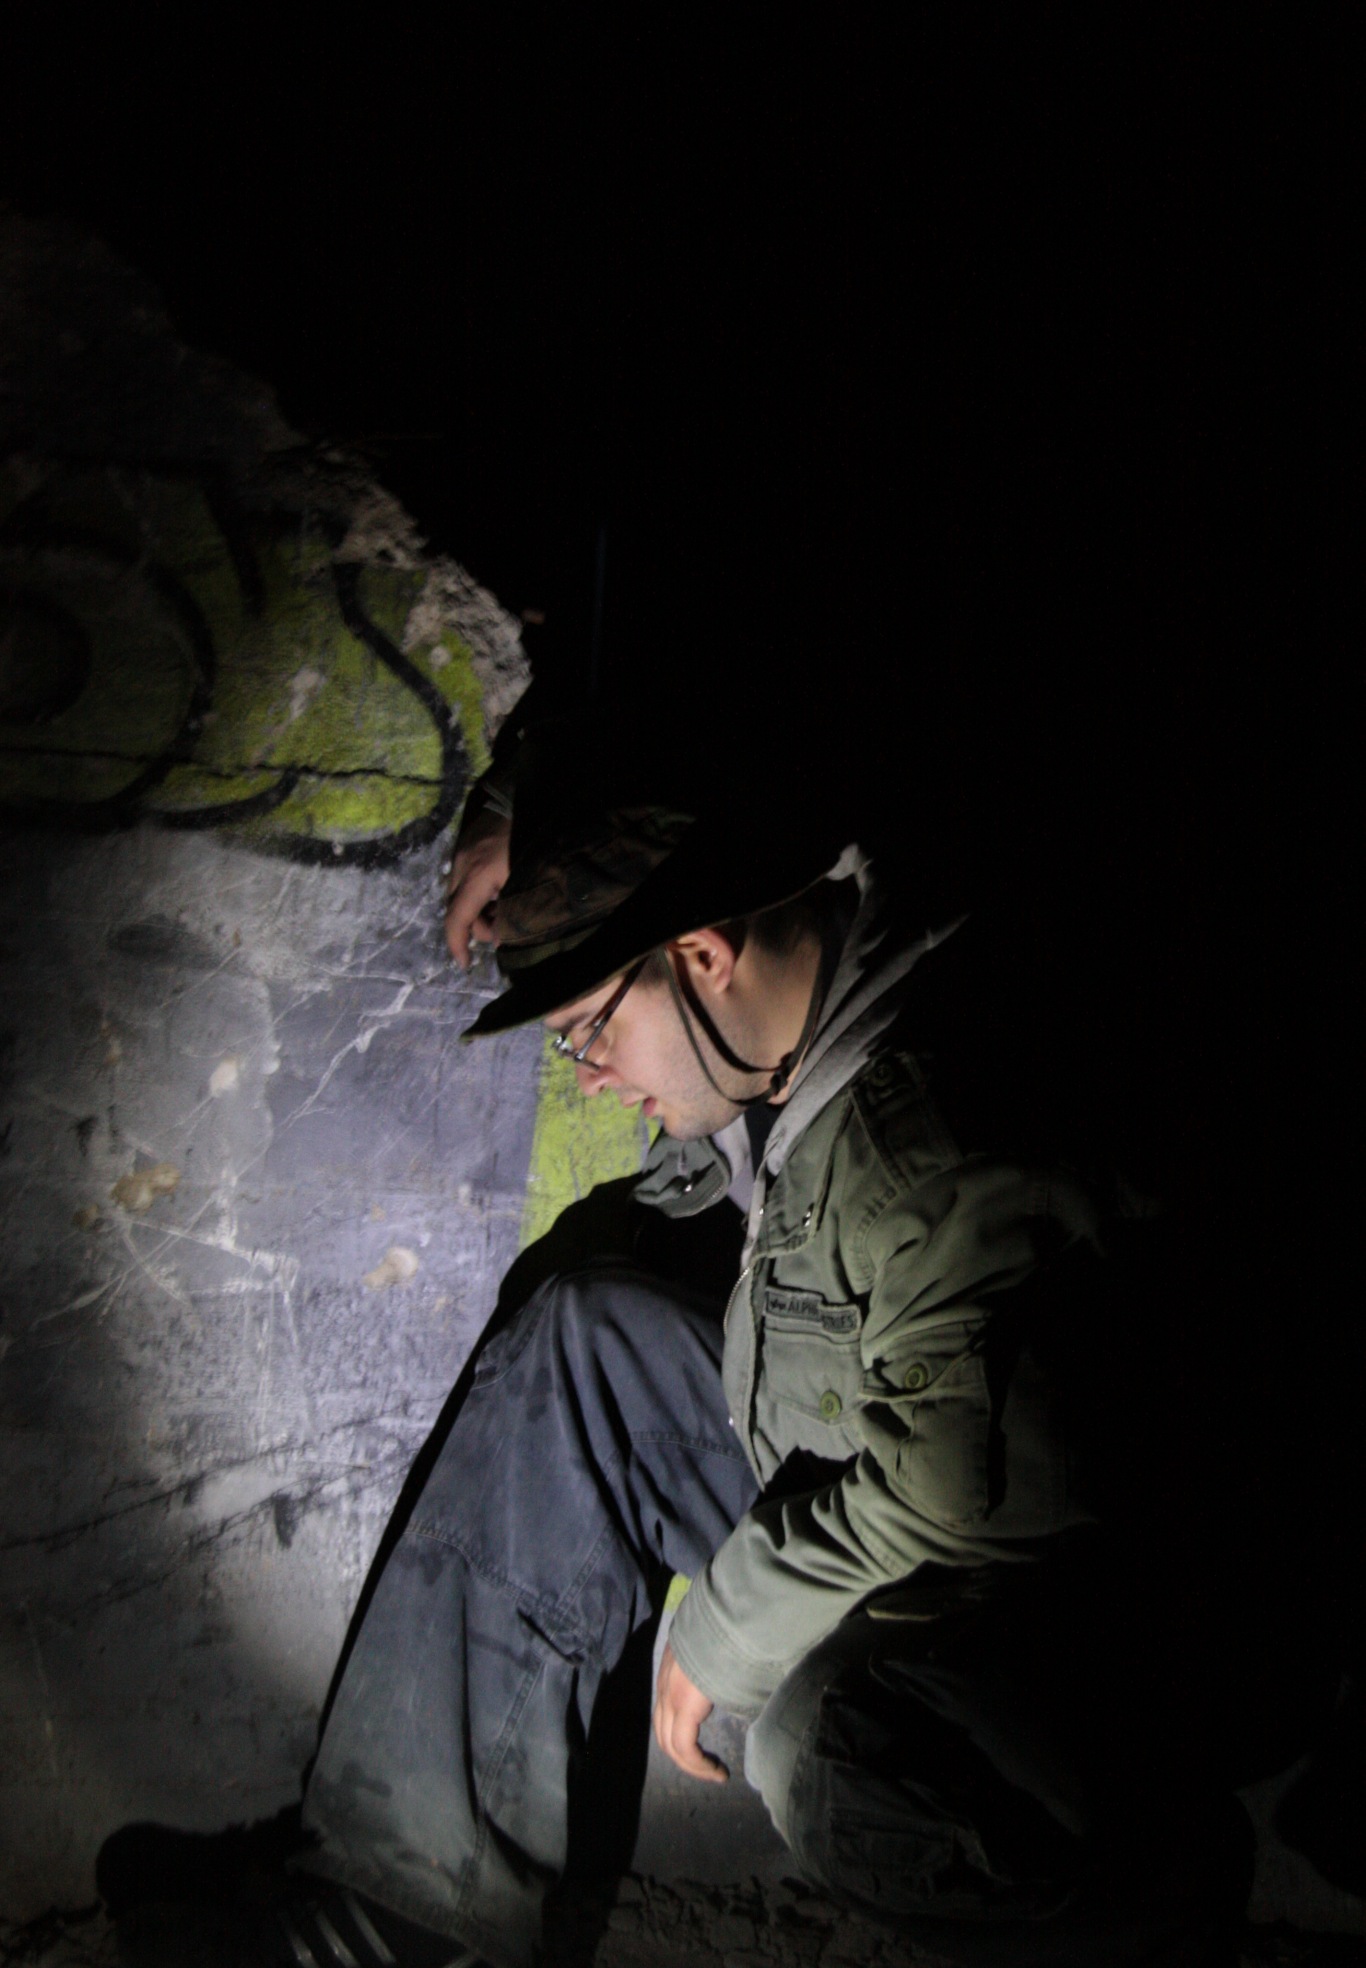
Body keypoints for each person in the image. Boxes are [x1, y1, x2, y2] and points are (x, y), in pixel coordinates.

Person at [100, 714, 1252, 1968]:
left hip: (1080, 1606)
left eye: (589, 1028)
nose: (588, 1075)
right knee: (586, 1340)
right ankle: (400, 1909)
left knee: (817, 1740)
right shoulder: (784, 1028)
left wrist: (723, 1633)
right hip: (882, 1457)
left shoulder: (934, 1136)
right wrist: (536, 826)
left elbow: (955, 1501)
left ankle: (1139, 1902)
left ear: (701, 951)